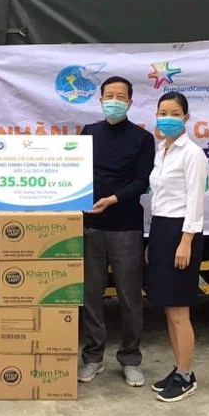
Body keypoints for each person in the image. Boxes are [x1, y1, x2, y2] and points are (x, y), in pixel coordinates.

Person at [78, 76, 156, 387]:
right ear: (100, 100)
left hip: (126, 228)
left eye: (120, 96)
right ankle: (92, 357)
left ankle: (130, 358)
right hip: (91, 227)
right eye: (109, 95)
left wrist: (113, 199)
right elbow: (75, 173)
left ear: (130, 102)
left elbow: (141, 181)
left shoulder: (142, 138)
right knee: (91, 295)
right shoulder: (88, 133)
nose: (114, 101)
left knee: (129, 296)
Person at [146, 92, 208, 402]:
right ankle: (178, 368)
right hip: (161, 229)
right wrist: (153, 240)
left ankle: (186, 376)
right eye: (162, 112)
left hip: (181, 233)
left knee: (180, 310)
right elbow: (159, 199)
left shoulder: (192, 154)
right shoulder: (162, 150)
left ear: (185, 118)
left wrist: (185, 241)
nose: (167, 118)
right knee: (169, 308)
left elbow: (195, 202)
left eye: (174, 113)